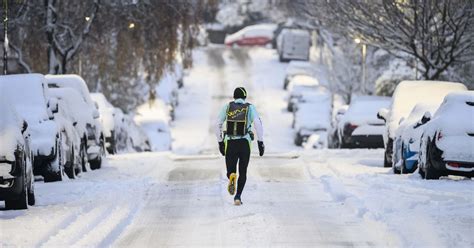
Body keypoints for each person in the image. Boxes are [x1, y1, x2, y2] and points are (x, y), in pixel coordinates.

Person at [215, 87, 264, 206]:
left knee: (231, 170)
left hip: (230, 142)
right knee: (243, 171)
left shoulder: (227, 107)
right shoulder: (249, 107)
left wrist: (220, 142)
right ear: (245, 97)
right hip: (244, 143)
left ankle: (231, 176)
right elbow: (257, 123)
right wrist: (260, 142)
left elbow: (217, 124)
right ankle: (238, 197)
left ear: (234, 97)